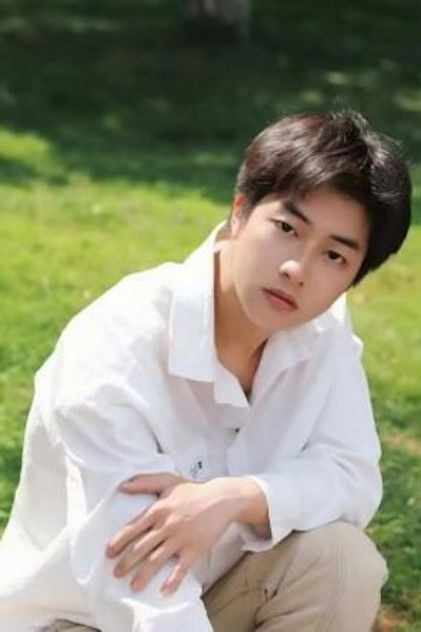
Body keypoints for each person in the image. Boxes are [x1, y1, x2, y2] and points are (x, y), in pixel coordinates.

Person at [0, 111, 411, 632]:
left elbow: (352, 476)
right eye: (287, 229)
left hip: (215, 599)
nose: (297, 269)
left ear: (353, 278)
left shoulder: (321, 333)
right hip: (82, 616)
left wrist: (240, 496)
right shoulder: (117, 344)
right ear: (239, 212)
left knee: (341, 562)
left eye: (334, 256)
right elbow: (134, 583)